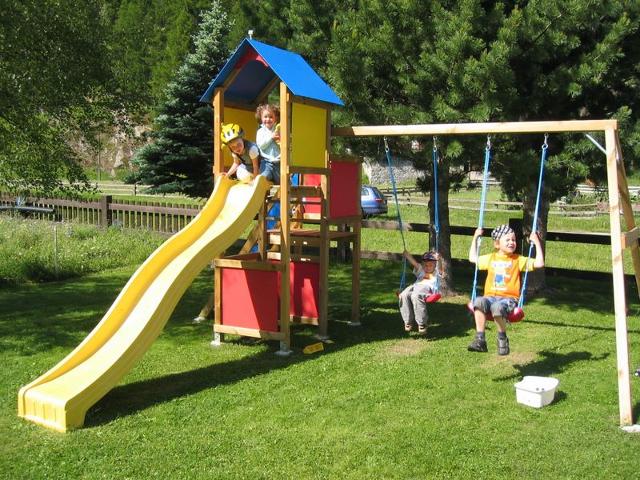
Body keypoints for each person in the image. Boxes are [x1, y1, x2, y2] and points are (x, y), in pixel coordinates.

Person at [467, 224, 544, 355]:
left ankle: (502, 338)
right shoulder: (491, 258)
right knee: (478, 301)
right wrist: (475, 237)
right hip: (489, 296)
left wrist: (536, 242)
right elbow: (472, 258)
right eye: (507, 240)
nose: (511, 242)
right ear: (497, 244)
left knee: (497, 307)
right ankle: (480, 339)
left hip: (508, 299)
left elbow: (539, 263)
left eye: (513, 240)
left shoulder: (518, 260)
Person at [398, 250, 439, 335]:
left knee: (415, 295)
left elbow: (441, 268)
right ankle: (408, 321)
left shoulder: (436, 272)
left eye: (430, 265)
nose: (427, 267)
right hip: (415, 286)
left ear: (435, 265)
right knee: (403, 295)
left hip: (426, 288)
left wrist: (439, 260)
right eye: (425, 265)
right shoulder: (421, 270)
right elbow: (414, 263)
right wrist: (407, 255)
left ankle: (422, 323)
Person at [255, 104, 281, 184]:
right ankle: (263, 193)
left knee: (282, 183)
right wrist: (271, 137)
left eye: (270, 117)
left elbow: (284, 144)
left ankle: (281, 195)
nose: (268, 119)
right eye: (265, 117)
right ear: (261, 118)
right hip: (266, 162)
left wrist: (280, 139)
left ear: (275, 118)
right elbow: (261, 146)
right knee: (263, 178)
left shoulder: (279, 129)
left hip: (279, 163)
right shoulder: (260, 132)